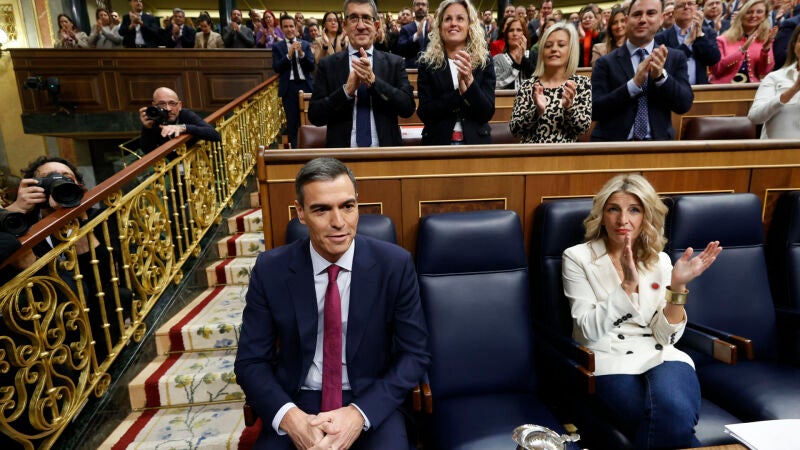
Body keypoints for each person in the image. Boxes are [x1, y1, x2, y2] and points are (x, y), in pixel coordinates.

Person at [234, 157, 430, 450]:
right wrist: (291, 418)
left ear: (357, 206)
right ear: (300, 212)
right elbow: (250, 362)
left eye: (347, 206)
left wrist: (358, 415)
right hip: (298, 401)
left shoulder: (395, 265)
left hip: (370, 399)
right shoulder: (270, 269)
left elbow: (414, 354)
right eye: (321, 209)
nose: (338, 222)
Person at [563, 173, 722, 449]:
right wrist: (626, 286)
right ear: (602, 215)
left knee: (674, 411)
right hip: (608, 360)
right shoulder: (578, 258)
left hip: (662, 356)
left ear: (645, 216)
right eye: (614, 209)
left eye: (633, 210)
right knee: (672, 425)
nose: (622, 220)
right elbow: (587, 330)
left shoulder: (659, 259)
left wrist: (678, 285)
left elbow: (665, 336)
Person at [308, 0, 416, 148]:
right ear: (345, 25)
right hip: (341, 159)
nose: (360, 26)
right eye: (353, 18)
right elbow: (315, 116)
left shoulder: (394, 63)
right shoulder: (328, 65)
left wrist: (374, 83)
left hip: (386, 155)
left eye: (366, 18)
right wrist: (346, 92)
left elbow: (408, 108)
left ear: (376, 26)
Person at [591, 0, 694, 141]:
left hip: (657, 148)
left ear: (661, 19)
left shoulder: (675, 57)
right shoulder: (605, 62)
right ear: (627, 20)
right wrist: (633, 85)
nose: (643, 20)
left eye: (651, 13)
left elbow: (684, 105)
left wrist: (661, 78)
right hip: (613, 148)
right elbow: (594, 110)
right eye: (637, 14)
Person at [417, 0, 496, 146]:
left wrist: (470, 84)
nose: (454, 23)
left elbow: (487, 113)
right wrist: (459, 94)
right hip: (437, 142)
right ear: (440, 27)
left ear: (469, 25)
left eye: (460, 18)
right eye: (448, 19)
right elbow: (424, 113)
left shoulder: (484, 60)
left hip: (476, 144)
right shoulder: (427, 62)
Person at [510, 23, 592, 143]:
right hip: (530, 157)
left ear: (571, 50)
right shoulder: (528, 86)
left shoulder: (581, 84)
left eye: (561, 45)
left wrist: (569, 108)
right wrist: (536, 111)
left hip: (566, 157)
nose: (554, 49)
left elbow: (583, 128)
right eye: (548, 45)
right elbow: (515, 130)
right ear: (542, 51)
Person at [747, 26, 800, 138]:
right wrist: (792, 90)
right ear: (794, 45)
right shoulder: (775, 77)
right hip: (777, 152)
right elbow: (755, 117)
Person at [273, 15, 315, 149]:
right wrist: (288, 55)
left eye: (291, 26)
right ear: (281, 28)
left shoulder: (306, 44)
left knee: (310, 121)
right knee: (292, 123)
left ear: (296, 27)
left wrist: (301, 54)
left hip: (306, 85)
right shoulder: (278, 47)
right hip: (289, 88)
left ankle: (311, 151)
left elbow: (311, 66)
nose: (289, 29)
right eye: (286, 26)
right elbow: (277, 68)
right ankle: (296, 153)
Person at [655, 0, 721, 84]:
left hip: (701, 90)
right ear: (674, 12)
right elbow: (667, 65)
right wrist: (688, 42)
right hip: (673, 91)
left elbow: (714, 59)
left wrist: (700, 35)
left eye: (690, 4)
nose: (686, 7)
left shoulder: (708, 32)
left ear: (696, 8)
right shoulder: (661, 37)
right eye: (681, 5)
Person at [139, 87, 221, 154]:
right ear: (154, 105)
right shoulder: (153, 119)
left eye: (172, 103)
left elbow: (215, 135)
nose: (168, 108)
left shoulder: (185, 114)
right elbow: (147, 151)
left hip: (194, 166)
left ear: (180, 105)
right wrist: (147, 128)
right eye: (162, 104)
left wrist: (184, 127)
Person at [709, 0, 775, 83]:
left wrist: (765, 50)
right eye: (749, 12)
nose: (754, 16)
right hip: (723, 89)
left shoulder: (765, 39)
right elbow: (716, 70)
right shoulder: (722, 40)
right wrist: (742, 50)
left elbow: (764, 72)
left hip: (751, 88)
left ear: (765, 16)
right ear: (741, 14)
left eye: (759, 12)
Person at [494, 17, 536, 90]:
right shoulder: (498, 59)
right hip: (504, 101)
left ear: (524, 34)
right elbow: (496, 84)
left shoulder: (534, 55)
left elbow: (539, 81)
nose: (515, 33)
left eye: (519, 30)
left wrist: (523, 59)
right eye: (511, 30)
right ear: (506, 35)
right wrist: (516, 65)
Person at [397, 0, 431, 68]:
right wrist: (416, 36)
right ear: (413, 9)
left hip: (432, 69)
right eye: (417, 4)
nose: (420, 7)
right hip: (412, 69)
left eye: (423, 4)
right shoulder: (405, 28)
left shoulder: (433, 27)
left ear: (427, 9)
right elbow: (400, 48)